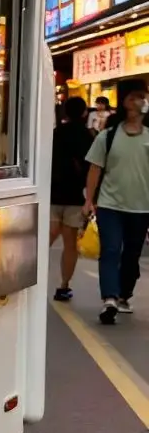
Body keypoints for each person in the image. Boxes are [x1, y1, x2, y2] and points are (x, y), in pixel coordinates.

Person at [83, 77, 149, 324]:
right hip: (110, 205)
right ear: (125, 102)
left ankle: (123, 294)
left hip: (142, 207)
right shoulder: (108, 137)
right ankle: (109, 298)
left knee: (131, 255)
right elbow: (94, 170)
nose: (141, 101)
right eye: (135, 97)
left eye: (143, 96)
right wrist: (89, 200)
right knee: (110, 250)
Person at [49, 96, 93, 302]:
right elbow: (92, 168)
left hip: (53, 194)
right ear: (84, 113)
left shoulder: (55, 133)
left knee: (45, 239)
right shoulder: (88, 136)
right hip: (76, 196)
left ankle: (30, 279)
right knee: (70, 244)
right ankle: (63, 285)